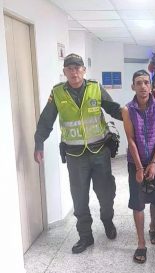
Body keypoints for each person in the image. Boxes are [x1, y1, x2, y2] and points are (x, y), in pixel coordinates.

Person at [34, 53, 122, 254]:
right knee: (79, 198)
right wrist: (38, 142)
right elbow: (46, 120)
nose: (74, 72)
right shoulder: (57, 93)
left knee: (106, 193)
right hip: (75, 156)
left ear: (84, 70)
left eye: (77, 68)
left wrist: (134, 117)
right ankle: (85, 236)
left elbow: (113, 109)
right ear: (64, 72)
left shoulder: (95, 87)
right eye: (70, 69)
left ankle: (108, 222)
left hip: (99, 151)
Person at [122, 70, 155, 264]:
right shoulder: (127, 110)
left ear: (151, 86)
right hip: (136, 162)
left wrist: (153, 164)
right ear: (133, 86)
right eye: (138, 83)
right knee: (138, 202)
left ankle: (153, 226)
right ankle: (141, 244)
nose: (143, 86)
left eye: (146, 82)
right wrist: (140, 167)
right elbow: (131, 139)